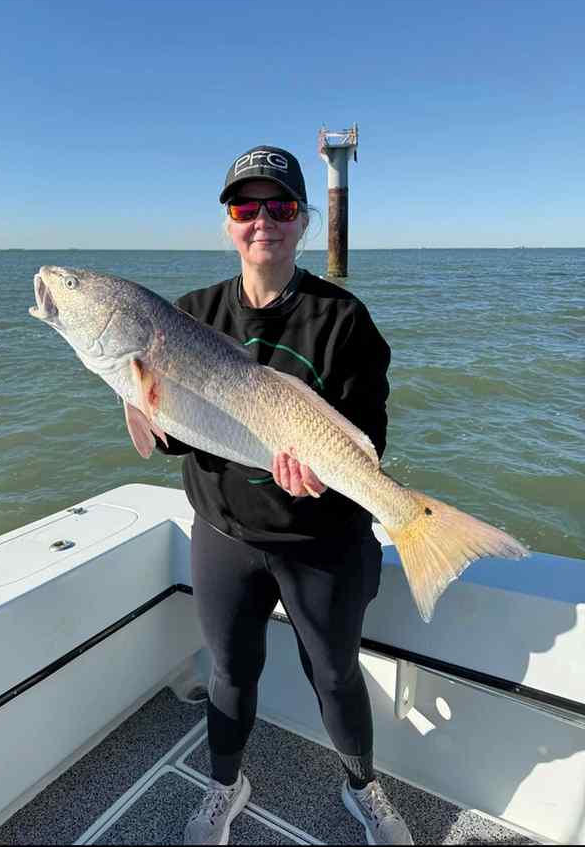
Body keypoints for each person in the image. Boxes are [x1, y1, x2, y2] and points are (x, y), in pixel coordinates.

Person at [155, 145, 413, 845]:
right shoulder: (187, 317)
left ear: (302, 221)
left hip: (322, 541)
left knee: (335, 677)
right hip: (225, 535)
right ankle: (223, 786)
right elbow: (170, 438)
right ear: (227, 223)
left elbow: (369, 439)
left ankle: (364, 789)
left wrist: (331, 473)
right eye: (245, 206)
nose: (262, 219)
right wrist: (141, 398)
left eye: (280, 206)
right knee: (231, 672)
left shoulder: (344, 320)